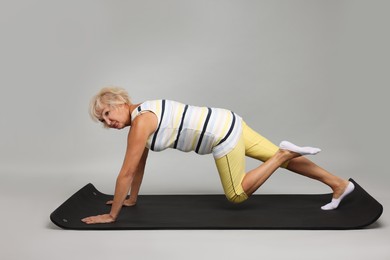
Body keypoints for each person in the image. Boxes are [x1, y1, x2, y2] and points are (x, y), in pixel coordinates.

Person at [81, 87, 355, 224]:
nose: (108, 122)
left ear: (118, 101)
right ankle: (339, 185)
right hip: (228, 119)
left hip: (222, 135)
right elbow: (139, 164)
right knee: (283, 159)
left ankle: (282, 155)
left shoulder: (140, 123)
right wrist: (131, 198)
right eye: (102, 121)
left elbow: (126, 171)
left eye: (107, 113)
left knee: (236, 194)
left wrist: (112, 215)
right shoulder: (145, 111)